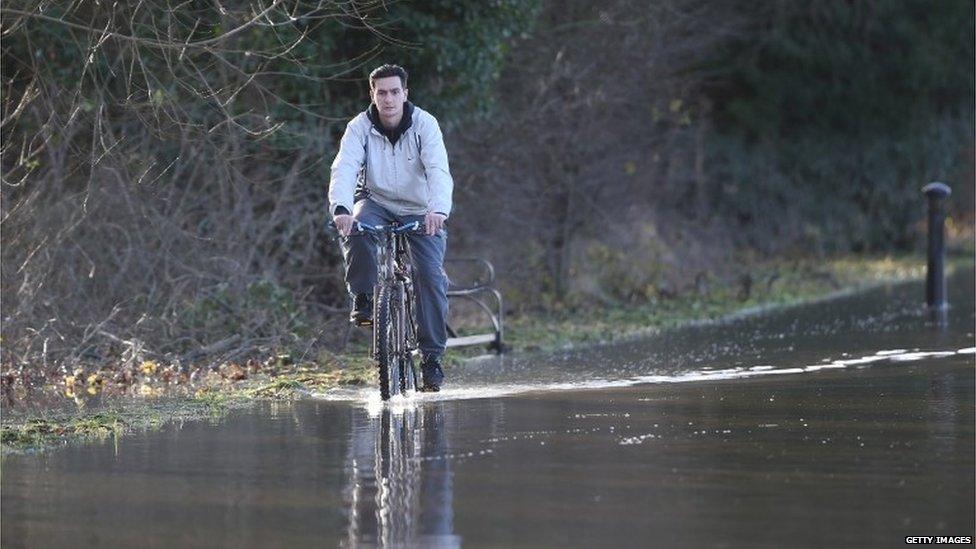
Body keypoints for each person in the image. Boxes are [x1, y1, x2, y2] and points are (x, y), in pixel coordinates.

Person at [328, 64, 453, 392]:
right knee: (355, 229)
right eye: (381, 92)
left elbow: (438, 169)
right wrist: (341, 209)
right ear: (372, 95)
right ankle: (364, 297)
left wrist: (438, 209)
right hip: (376, 203)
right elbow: (344, 168)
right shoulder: (358, 128)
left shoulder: (425, 125)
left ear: (405, 94)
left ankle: (431, 358)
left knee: (429, 276)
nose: (388, 99)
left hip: (421, 209)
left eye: (394, 92)